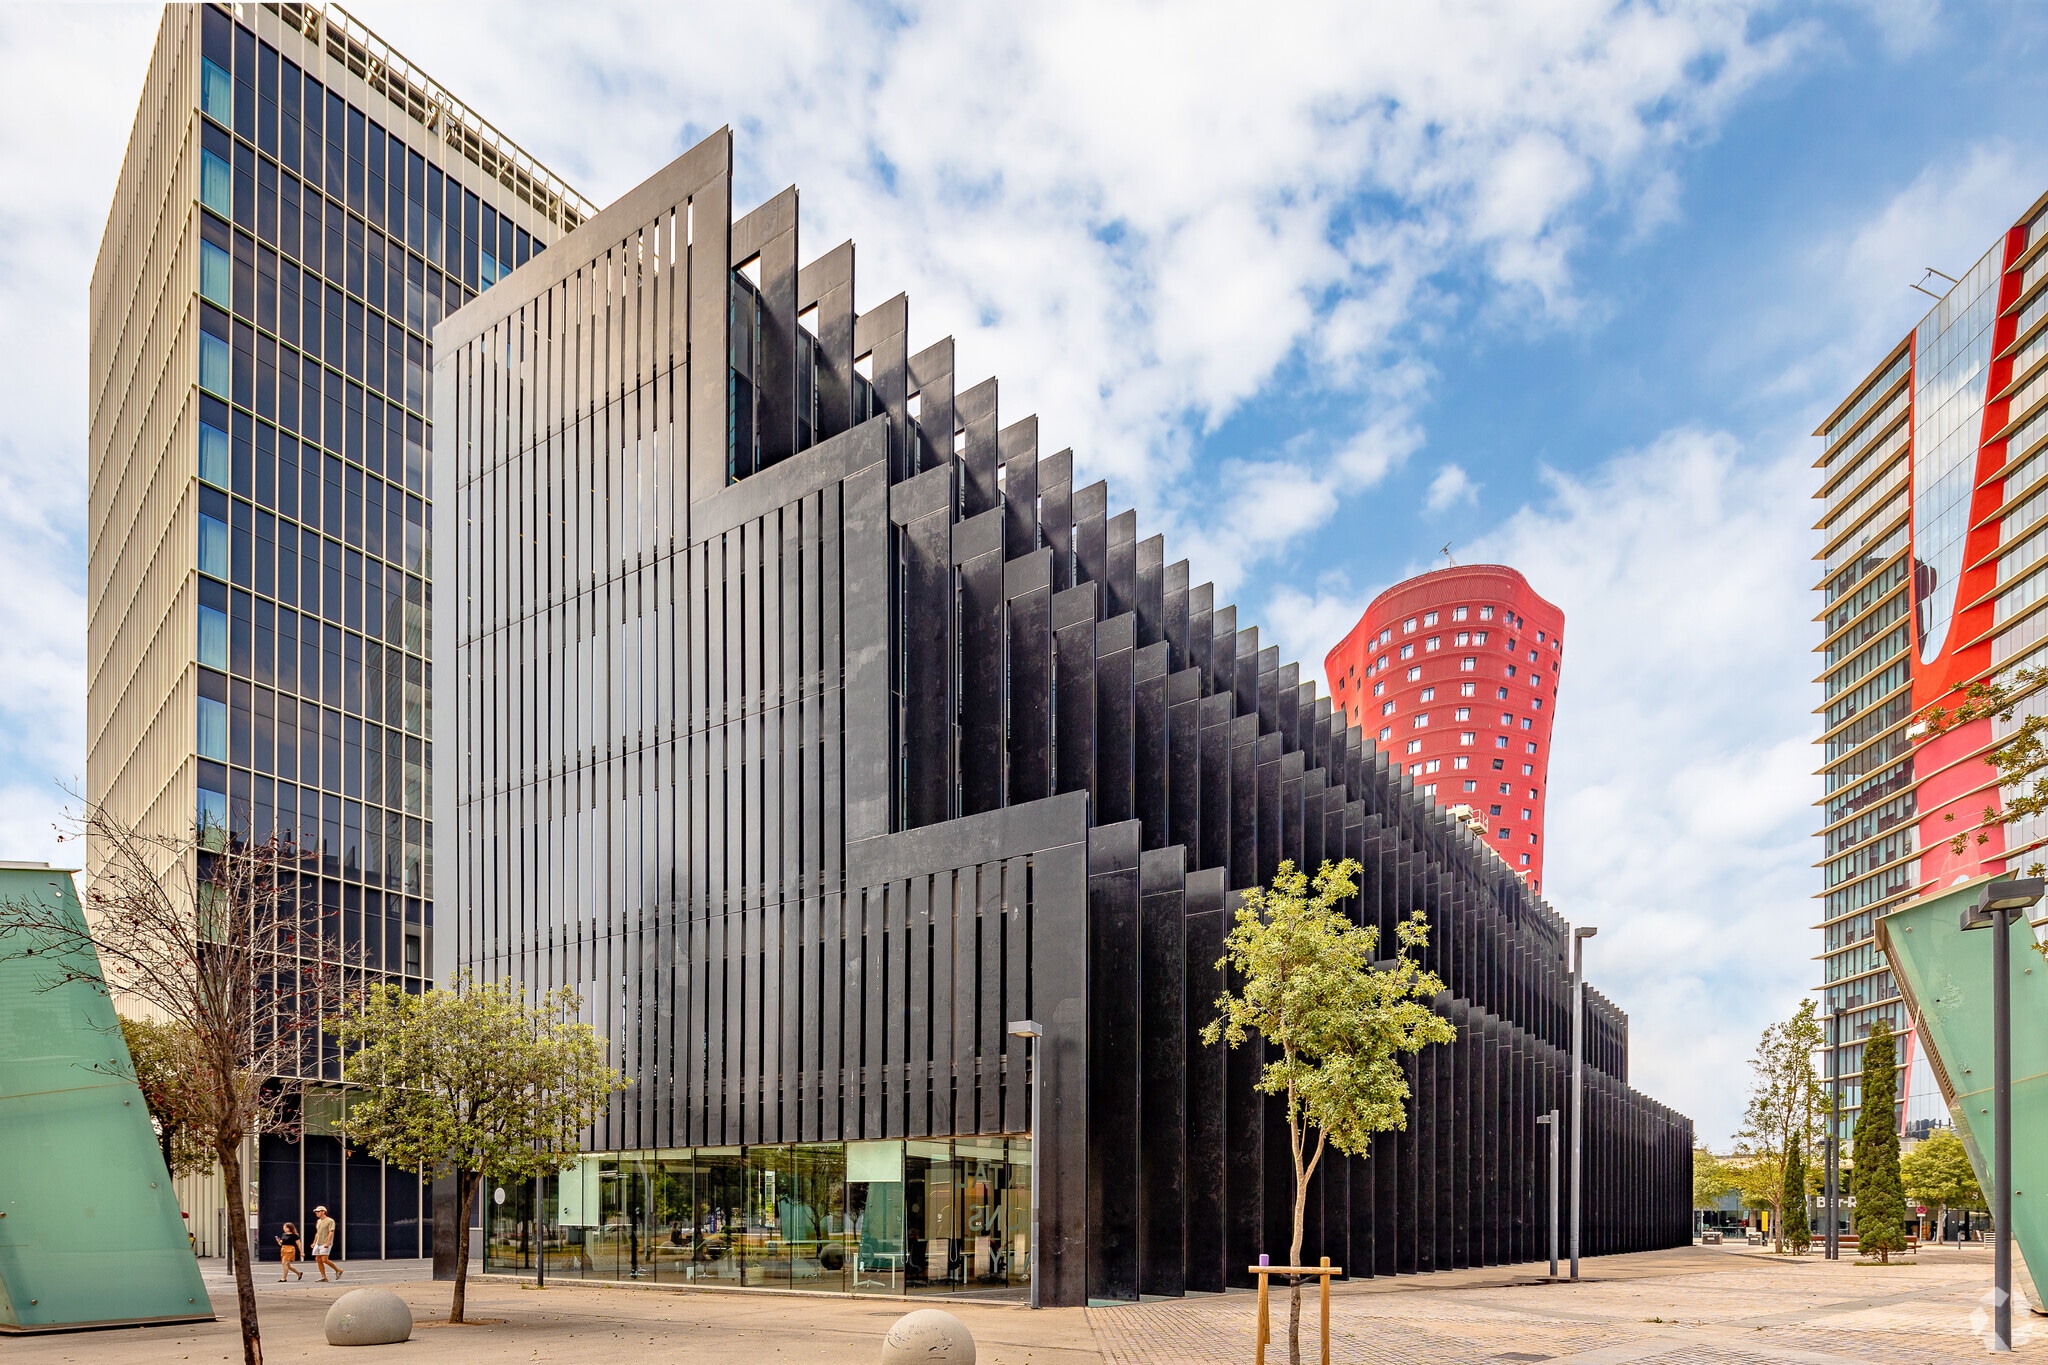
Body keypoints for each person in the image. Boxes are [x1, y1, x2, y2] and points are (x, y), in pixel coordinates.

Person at [311, 1205, 342, 1281]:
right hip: (318, 1242)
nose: (316, 1213)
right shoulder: (318, 1221)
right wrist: (314, 1242)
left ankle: (338, 1270)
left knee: (324, 1259)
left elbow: (331, 1232)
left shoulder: (330, 1221)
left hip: (325, 1242)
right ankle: (323, 1277)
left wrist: (328, 1242)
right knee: (318, 1259)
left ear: (323, 1212)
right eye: (316, 1212)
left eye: (318, 1211)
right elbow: (317, 1233)